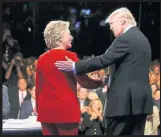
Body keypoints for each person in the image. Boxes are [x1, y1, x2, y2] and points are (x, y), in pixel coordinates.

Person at [55, 7, 153, 135]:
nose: (110, 28)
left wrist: (75, 66)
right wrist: (110, 78)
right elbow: (131, 69)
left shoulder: (126, 38)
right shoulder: (142, 38)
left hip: (123, 105)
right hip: (139, 104)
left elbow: (103, 60)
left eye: (112, 24)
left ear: (123, 21)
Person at [35, 20, 104, 135]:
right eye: (69, 34)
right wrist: (100, 82)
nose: (72, 37)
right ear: (60, 38)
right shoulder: (70, 57)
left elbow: (39, 88)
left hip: (46, 112)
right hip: (66, 111)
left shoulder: (41, 59)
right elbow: (84, 82)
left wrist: (39, 110)